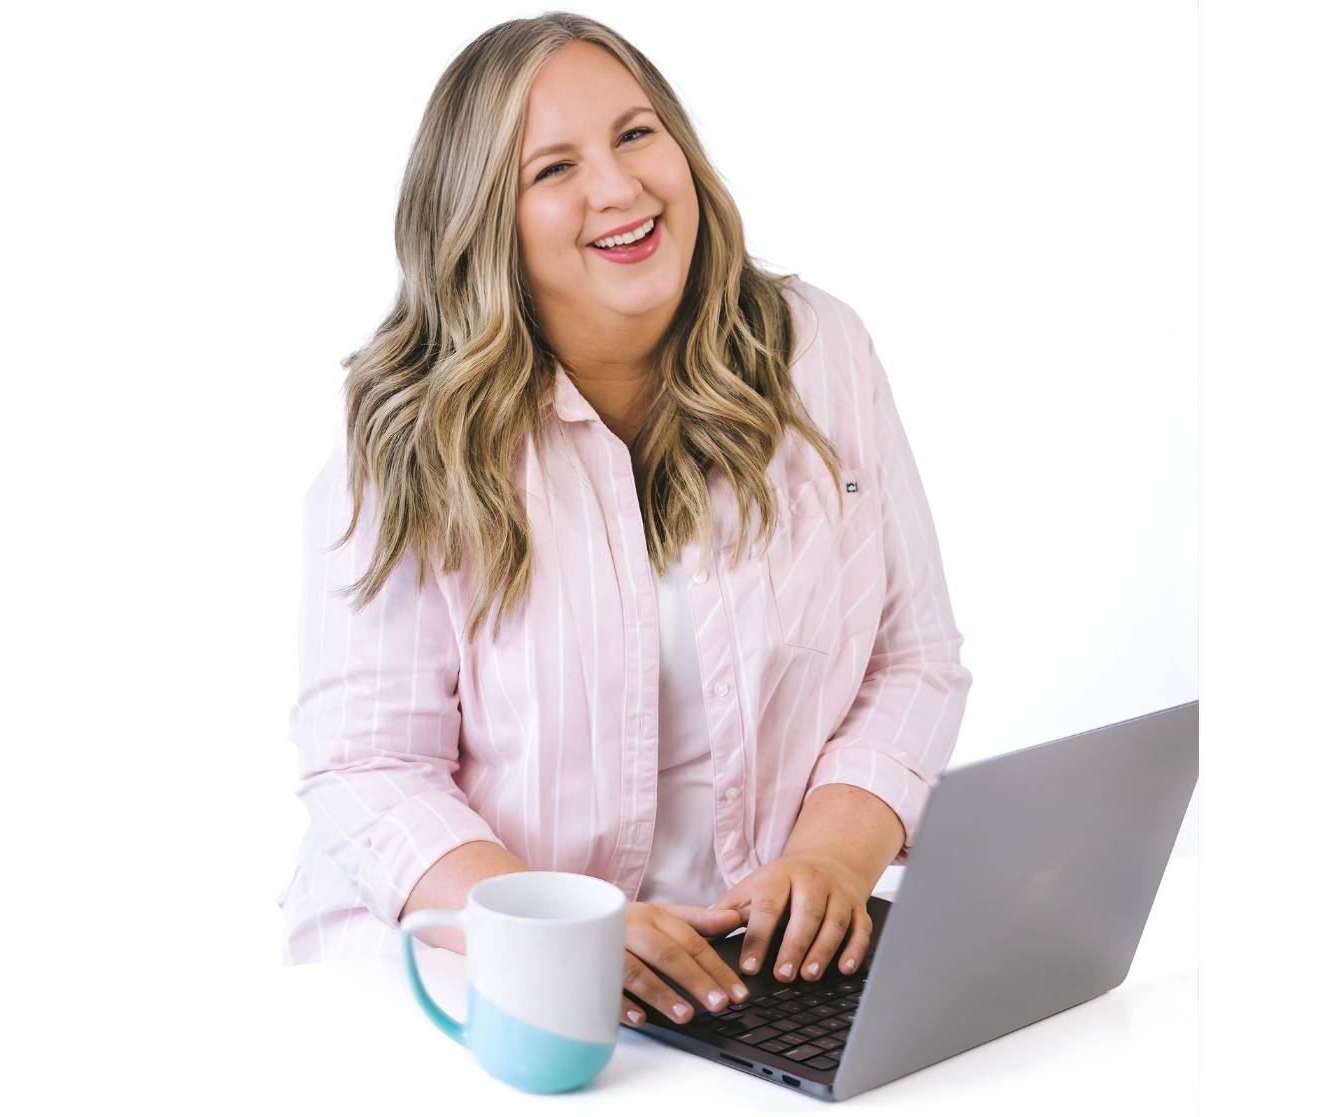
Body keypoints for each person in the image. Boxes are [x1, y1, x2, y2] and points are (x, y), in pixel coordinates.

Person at [275, 13, 973, 1034]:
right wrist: (552, 932)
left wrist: (834, 853)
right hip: (465, 990)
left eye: (637, 134)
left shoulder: (818, 351)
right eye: (553, 168)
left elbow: (913, 656)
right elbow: (366, 764)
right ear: (482, 221)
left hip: (739, 985)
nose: (620, 188)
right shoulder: (405, 434)